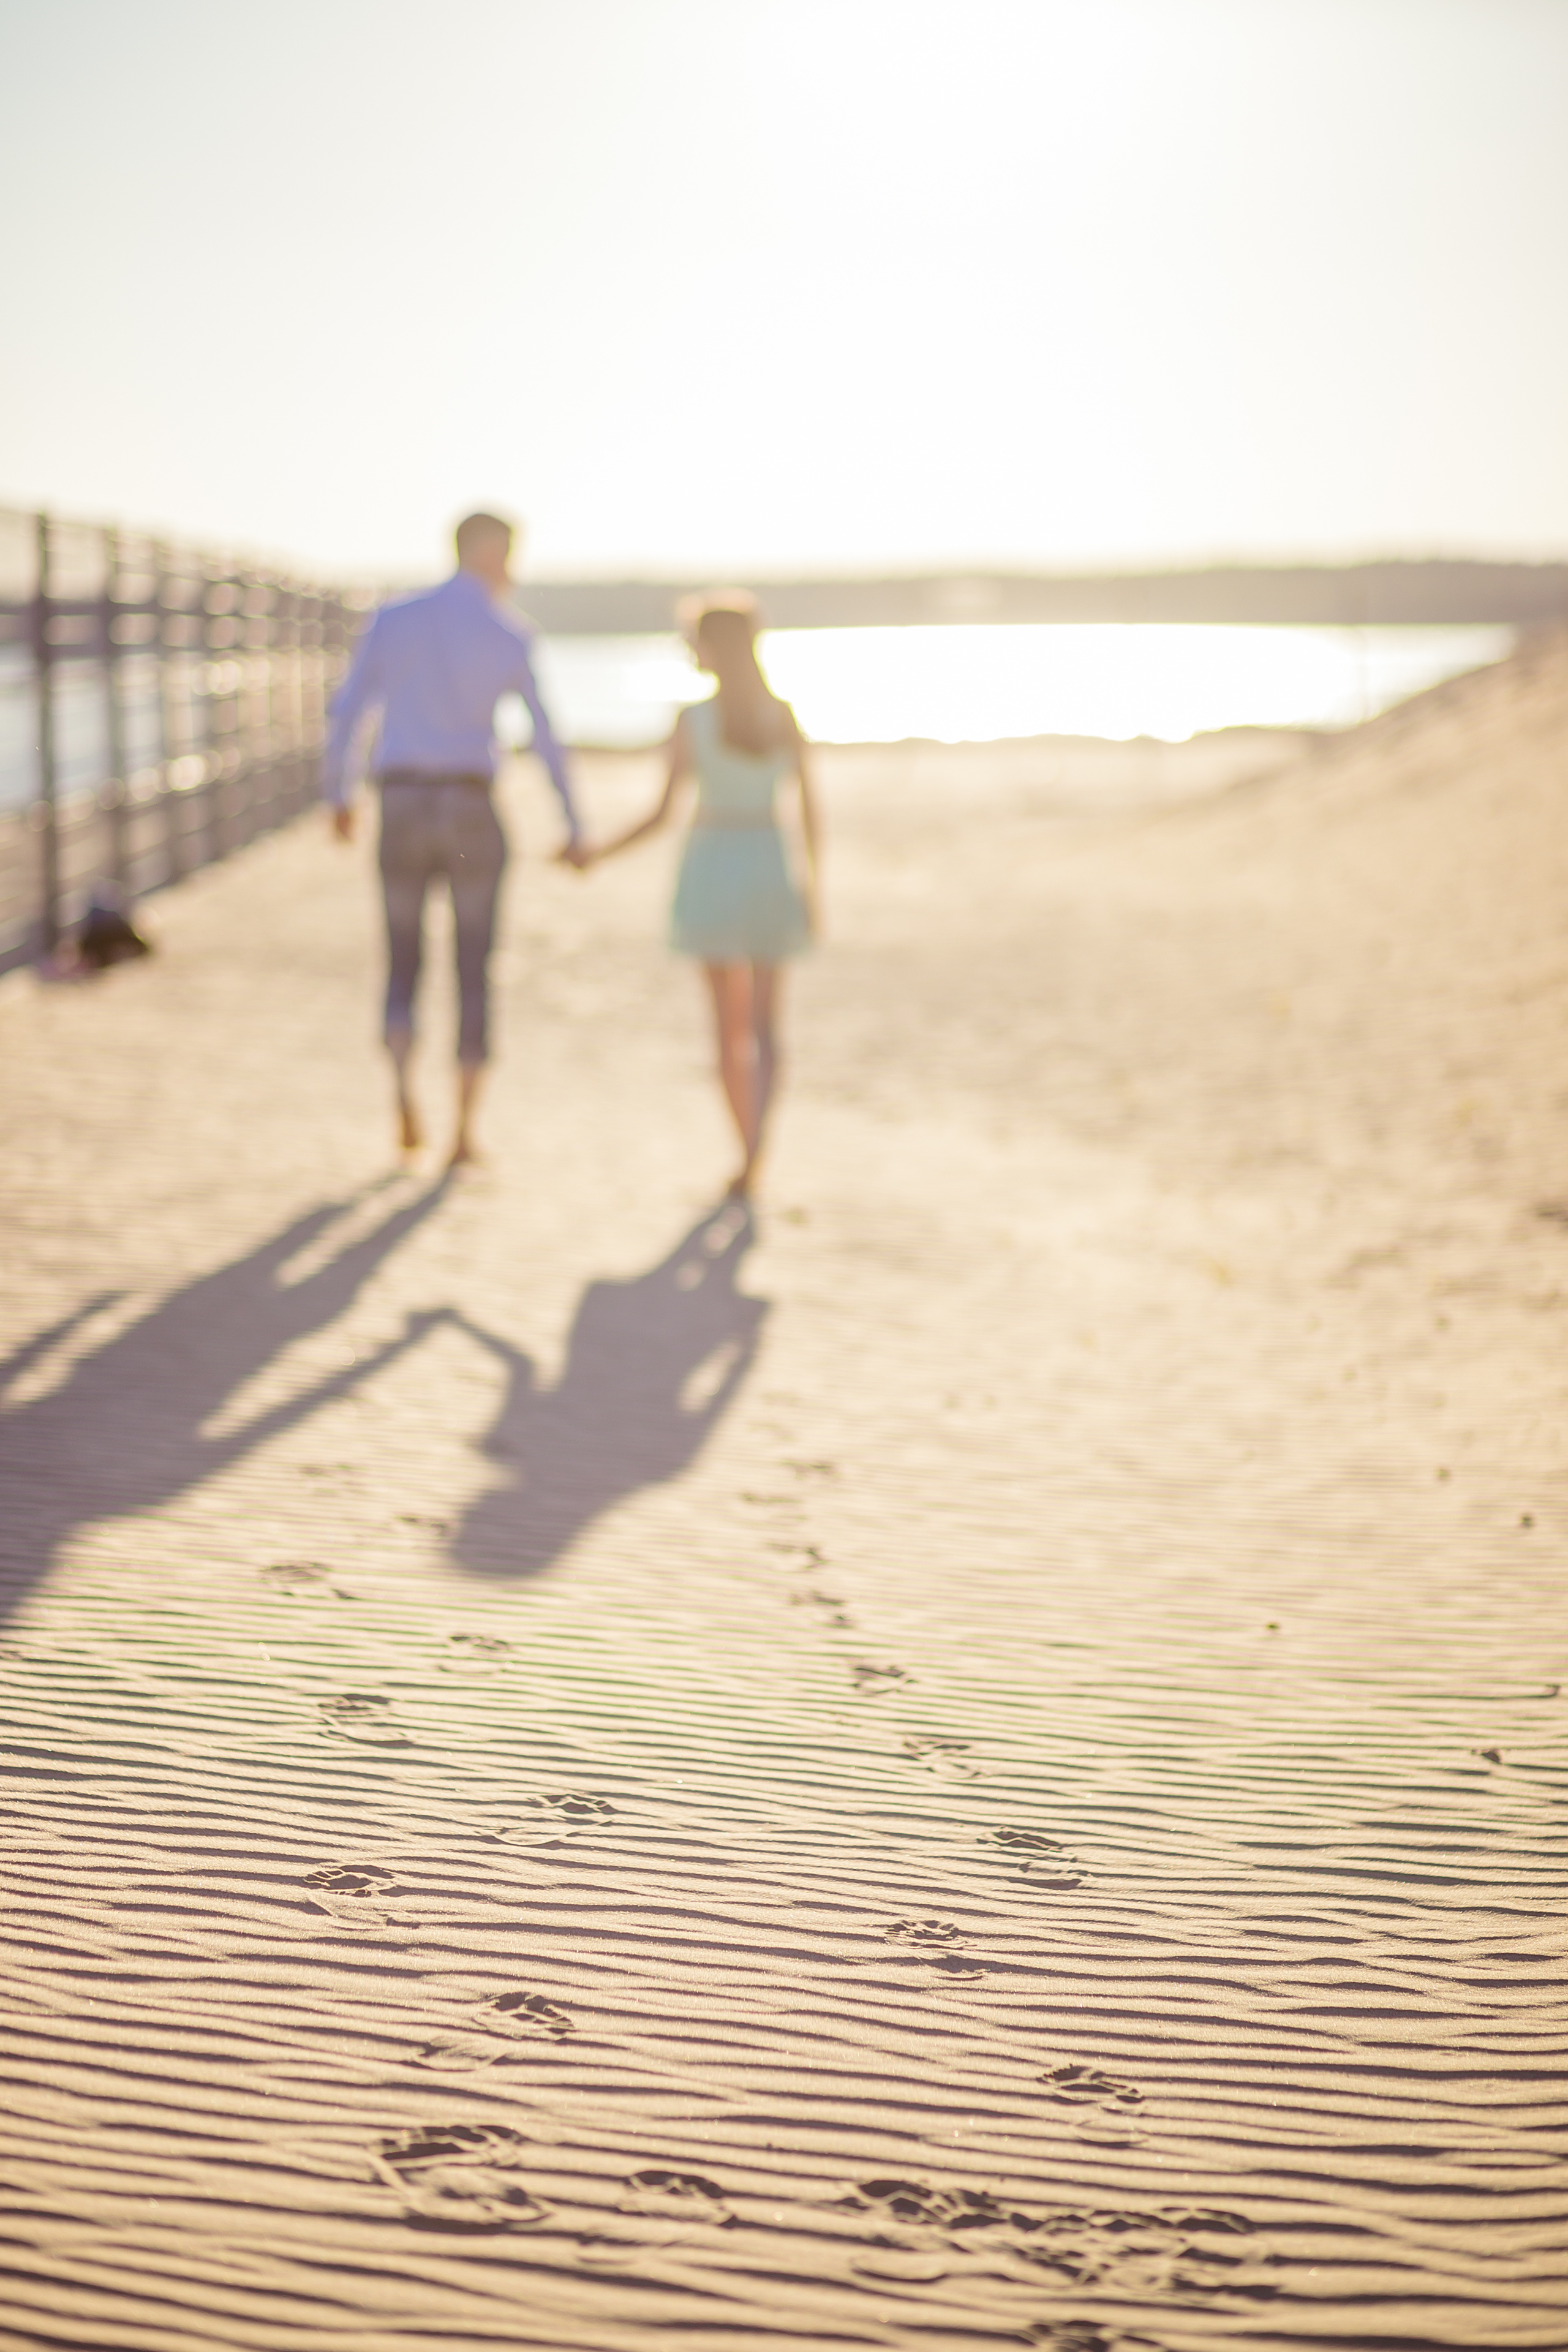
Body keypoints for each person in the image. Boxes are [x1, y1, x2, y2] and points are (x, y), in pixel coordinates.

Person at [321, 511, 584, 1164]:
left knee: (402, 957)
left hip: (403, 802)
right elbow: (544, 734)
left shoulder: (395, 619)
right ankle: (464, 1131)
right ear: (492, 552)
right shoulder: (506, 632)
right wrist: (573, 825)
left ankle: (404, 1092)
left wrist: (340, 792)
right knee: (474, 966)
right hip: (469, 809)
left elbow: (351, 708)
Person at [582, 594, 818, 1198]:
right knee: (766, 1028)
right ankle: (757, 1149)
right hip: (768, 858)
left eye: (692, 641)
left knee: (729, 1029)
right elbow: (809, 810)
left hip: (714, 860)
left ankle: (745, 1152)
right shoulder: (781, 713)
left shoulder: (693, 720)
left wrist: (596, 853)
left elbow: (661, 815)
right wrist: (812, 883)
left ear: (713, 649)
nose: (688, 651)